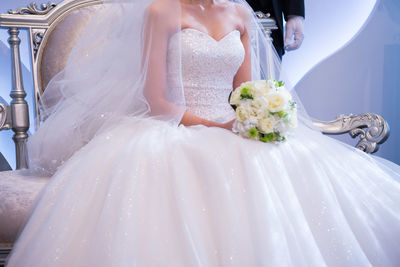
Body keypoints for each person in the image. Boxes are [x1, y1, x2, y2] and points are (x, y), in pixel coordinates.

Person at [5, 0, 400, 266]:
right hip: (173, 124)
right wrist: (217, 126)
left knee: (289, 168)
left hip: (231, 125)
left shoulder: (238, 13)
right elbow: (156, 100)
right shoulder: (162, 11)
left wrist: (254, 116)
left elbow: (244, 91)